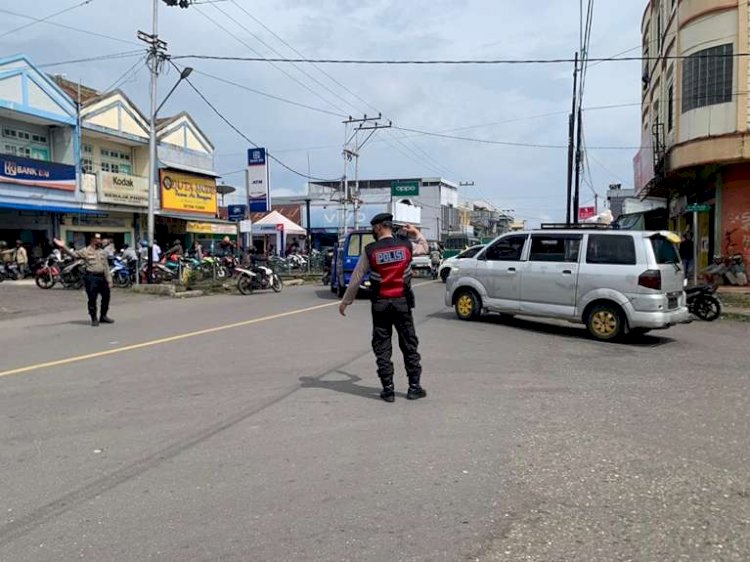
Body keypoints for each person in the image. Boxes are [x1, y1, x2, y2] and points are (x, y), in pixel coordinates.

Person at [339, 214, 429, 402]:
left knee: (382, 346)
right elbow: (424, 248)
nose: (373, 231)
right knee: (409, 343)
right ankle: (414, 387)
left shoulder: (370, 250)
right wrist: (417, 233)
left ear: (380, 227)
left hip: (380, 304)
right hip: (402, 303)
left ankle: (388, 390)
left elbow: (357, 277)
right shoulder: (405, 245)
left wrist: (346, 300)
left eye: (374, 228)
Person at [53, 233, 114, 327]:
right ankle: (94, 318)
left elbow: (105, 266)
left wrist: (109, 279)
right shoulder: (85, 251)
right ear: (92, 240)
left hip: (102, 277)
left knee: (106, 297)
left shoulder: (102, 252)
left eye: (100, 239)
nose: (99, 241)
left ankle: (103, 316)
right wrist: (63, 246)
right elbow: (74, 254)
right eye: (97, 239)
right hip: (91, 277)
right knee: (92, 299)